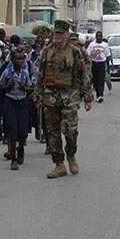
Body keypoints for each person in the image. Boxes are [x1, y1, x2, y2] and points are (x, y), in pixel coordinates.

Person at [33, 20, 93, 179]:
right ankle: (59, 164)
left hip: (70, 96)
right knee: (52, 132)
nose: (57, 36)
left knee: (70, 130)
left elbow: (84, 74)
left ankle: (71, 154)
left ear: (67, 34)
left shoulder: (75, 51)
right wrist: (37, 96)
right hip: (50, 96)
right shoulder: (47, 51)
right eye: (56, 33)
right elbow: (40, 75)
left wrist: (88, 97)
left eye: (60, 33)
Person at [0, 48, 35, 170]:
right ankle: (13, 158)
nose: (20, 61)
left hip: (22, 102)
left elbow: (31, 88)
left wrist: (25, 88)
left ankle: (21, 148)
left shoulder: (25, 73)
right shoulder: (7, 73)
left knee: (23, 130)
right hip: (10, 101)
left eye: (22, 58)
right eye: (17, 58)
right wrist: (7, 86)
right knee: (12, 130)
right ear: (12, 60)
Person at [87, 31, 110, 102]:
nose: (99, 37)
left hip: (102, 64)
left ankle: (100, 95)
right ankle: (98, 94)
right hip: (94, 63)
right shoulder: (92, 44)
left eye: (100, 36)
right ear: (95, 37)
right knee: (95, 80)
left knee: (101, 80)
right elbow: (88, 55)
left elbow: (107, 56)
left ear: (102, 37)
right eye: (97, 36)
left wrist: (108, 67)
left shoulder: (105, 45)